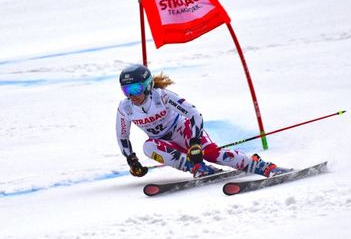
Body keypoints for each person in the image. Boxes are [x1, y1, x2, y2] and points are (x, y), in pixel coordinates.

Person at [115, 64, 289, 178]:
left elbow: (194, 114)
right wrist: (132, 160)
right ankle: (197, 168)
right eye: (126, 90)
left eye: (136, 88)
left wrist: (195, 143)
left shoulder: (163, 97)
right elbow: (123, 136)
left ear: (147, 85)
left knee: (212, 154)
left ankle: (261, 166)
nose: (132, 95)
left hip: (184, 132)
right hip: (163, 143)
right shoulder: (126, 108)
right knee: (148, 146)